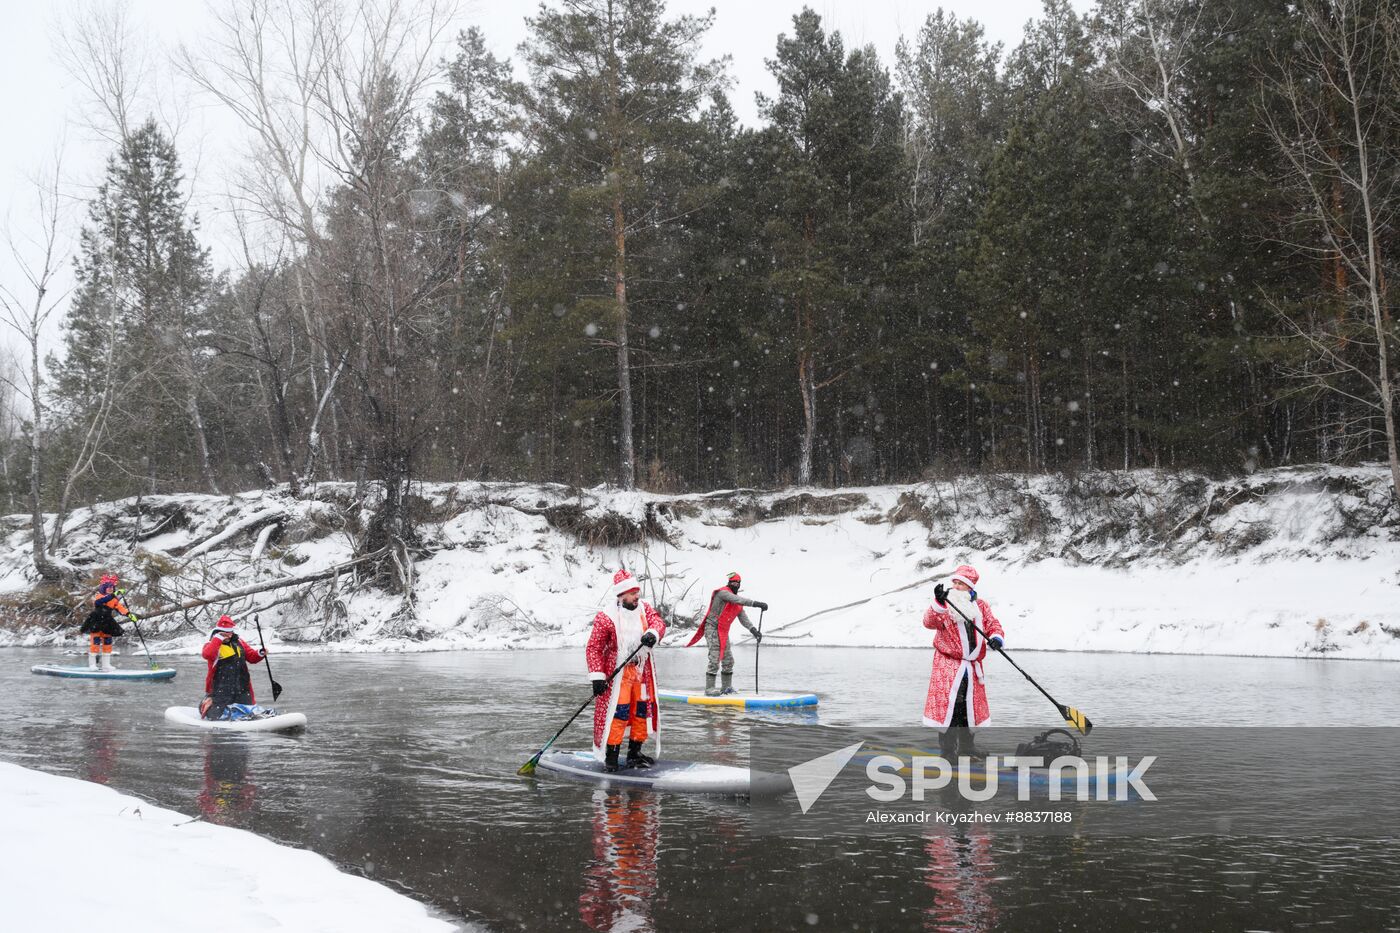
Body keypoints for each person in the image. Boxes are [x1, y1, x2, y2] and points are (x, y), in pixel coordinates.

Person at [586, 569, 667, 773]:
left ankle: (634, 754)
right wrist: (597, 677)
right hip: (618, 675)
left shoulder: (644, 608)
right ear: (621, 596)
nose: (636, 596)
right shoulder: (606, 617)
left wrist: (653, 633)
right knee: (619, 713)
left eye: (637, 592)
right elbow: (594, 647)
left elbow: (659, 623)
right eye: (632, 593)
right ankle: (611, 757)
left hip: (641, 672)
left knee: (641, 711)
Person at [921, 565, 1005, 761]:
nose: (956, 586)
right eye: (955, 583)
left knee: (969, 708)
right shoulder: (946, 604)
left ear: (969, 587)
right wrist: (938, 603)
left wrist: (996, 638)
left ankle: (967, 748)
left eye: (961, 584)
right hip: (948, 666)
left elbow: (993, 624)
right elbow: (928, 622)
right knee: (951, 709)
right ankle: (948, 752)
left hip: (972, 666)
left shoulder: (981, 606)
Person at [684, 572, 768, 696]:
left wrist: (754, 631)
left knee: (728, 660)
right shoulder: (723, 593)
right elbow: (738, 599)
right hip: (712, 628)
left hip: (723, 631)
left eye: (737, 583)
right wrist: (756, 603)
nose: (735, 584)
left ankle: (726, 688)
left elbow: (743, 618)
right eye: (733, 582)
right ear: (729, 583)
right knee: (715, 658)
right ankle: (709, 688)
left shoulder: (737, 602)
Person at [200, 615, 265, 720]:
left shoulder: (239, 642)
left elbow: (252, 657)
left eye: (230, 633)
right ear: (218, 633)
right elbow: (207, 654)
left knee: (248, 711)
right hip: (221, 688)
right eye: (225, 634)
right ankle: (207, 705)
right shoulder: (211, 644)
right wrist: (218, 639)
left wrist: (260, 653)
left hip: (242, 687)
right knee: (215, 715)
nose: (228, 636)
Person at [79, 574, 136, 671]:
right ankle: (92, 665)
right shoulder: (99, 596)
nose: (110, 589)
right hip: (96, 621)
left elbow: (120, 608)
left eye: (112, 588)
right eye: (108, 587)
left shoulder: (114, 599)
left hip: (108, 622)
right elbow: (101, 601)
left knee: (107, 643)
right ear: (104, 588)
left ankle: (106, 665)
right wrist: (114, 594)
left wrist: (129, 614)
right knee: (95, 643)